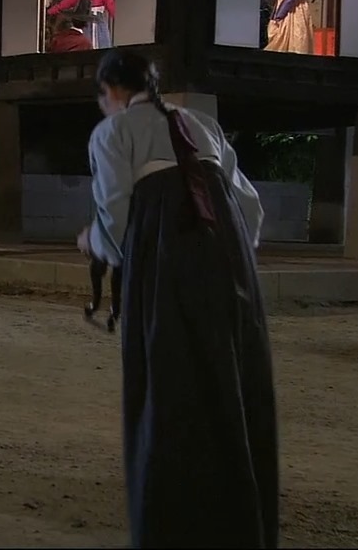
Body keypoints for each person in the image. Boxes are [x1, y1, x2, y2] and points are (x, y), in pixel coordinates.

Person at [80, 49, 278, 548]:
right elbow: (249, 206)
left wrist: (94, 243)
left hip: (166, 262)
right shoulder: (201, 124)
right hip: (231, 262)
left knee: (171, 387)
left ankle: (177, 527)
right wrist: (231, 255)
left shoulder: (112, 132)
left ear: (113, 92)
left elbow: (115, 216)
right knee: (233, 383)